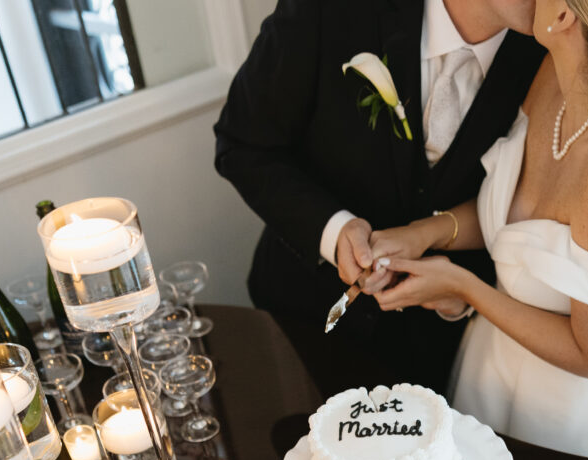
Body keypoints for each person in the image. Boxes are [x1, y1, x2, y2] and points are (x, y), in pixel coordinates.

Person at [369, 0, 588, 460]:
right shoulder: (552, 75)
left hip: (578, 426)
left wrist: (464, 287)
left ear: (564, 18)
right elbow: (513, 219)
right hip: (489, 375)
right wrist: (425, 232)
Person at [214, 0, 544, 395]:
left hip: (438, 356)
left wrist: (462, 296)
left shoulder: (556, 52)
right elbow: (244, 144)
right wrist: (334, 231)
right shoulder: (333, 9)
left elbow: (532, 210)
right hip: (300, 322)